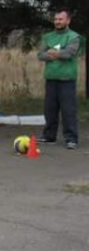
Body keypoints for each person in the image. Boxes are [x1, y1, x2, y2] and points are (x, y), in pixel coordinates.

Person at [37, 8, 81, 149]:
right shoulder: (48, 37)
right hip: (51, 78)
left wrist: (53, 52)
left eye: (60, 19)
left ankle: (71, 138)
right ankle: (49, 136)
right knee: (50, 109)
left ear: (68, 20)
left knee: (68, 110)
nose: (57, 22)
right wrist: (54, 53)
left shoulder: (74, 37)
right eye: (56, 19)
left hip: (67, 79)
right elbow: (40, 55)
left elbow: (69, 54)